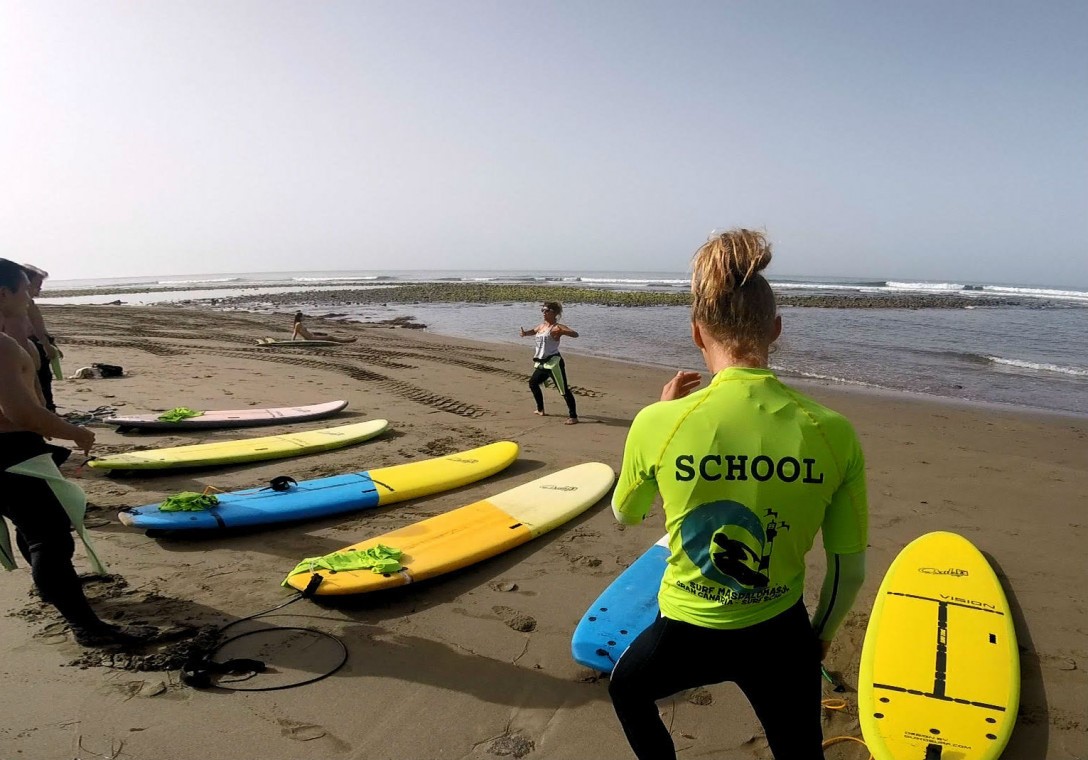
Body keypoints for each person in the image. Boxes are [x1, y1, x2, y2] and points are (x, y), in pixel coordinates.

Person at [607, 229, 868, 759]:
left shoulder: (660, 423)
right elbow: (848, 569)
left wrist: (660, 416)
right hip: (779, 633)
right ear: (775, 329)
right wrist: (817, 636)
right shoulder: (831, 431)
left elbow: (626, 512)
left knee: (627, 688)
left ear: (698, 334)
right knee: (800, 751)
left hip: (684, 631)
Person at [0, 259, 151, 648]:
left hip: (7, 453)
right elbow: (22, 413)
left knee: (31, 528)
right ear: (4, 294)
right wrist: (75, 433)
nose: (29, 296)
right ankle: (87, 626)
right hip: (11, 454)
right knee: (51, 538)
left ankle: (51, 590)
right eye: (23, 289)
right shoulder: (1, 345)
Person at [519, 301, 579, 424]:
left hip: (554, 363)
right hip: (542, 363)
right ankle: (540, 409)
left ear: (554, 313)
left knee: (563, 389)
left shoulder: (557, 327)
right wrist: (525, 333)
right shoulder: (542, 326)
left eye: (546, 311)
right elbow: (534, 331)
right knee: (533, 383)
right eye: (543, 310)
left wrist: (563, 332)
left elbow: (575, 334)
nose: (544, 313)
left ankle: (573, 416)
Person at [22, 264, 58, 411]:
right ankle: (46, 409)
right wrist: (46, 345)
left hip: (36, 342)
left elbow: (39, 327)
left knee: (42, 378)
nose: (38, 292)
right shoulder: (24, 304)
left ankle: (45, 408)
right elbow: (37, 327)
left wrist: (49, 344)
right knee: (41, 378)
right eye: (36, 287)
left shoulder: (27, 302)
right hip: (33, 344)